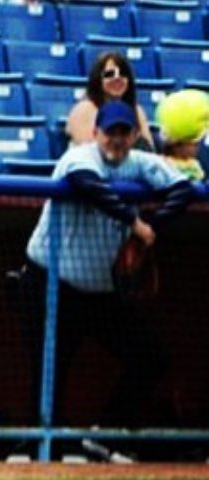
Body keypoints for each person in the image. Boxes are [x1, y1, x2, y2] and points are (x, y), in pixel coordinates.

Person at [19, 100, 192, 446]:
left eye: (124, 132)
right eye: (110, 131)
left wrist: (151, 227)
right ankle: (43, 451)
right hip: (52, 283)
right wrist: (134, 222)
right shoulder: (81, 157)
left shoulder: (140, 162)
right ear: (96, 133)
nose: (116, 139)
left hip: (100, 292)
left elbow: (183, 189)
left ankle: (105, 435)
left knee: (150, 356)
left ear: (134, 136)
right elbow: (86, 184)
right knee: (51, 372)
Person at [66, 51, 155, 151]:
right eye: (109, 74)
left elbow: (149, 151)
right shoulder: (83, 109)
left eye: (123, 74)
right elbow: (91, 152)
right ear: (97, 79)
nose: (117, 78)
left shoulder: (137, 110)